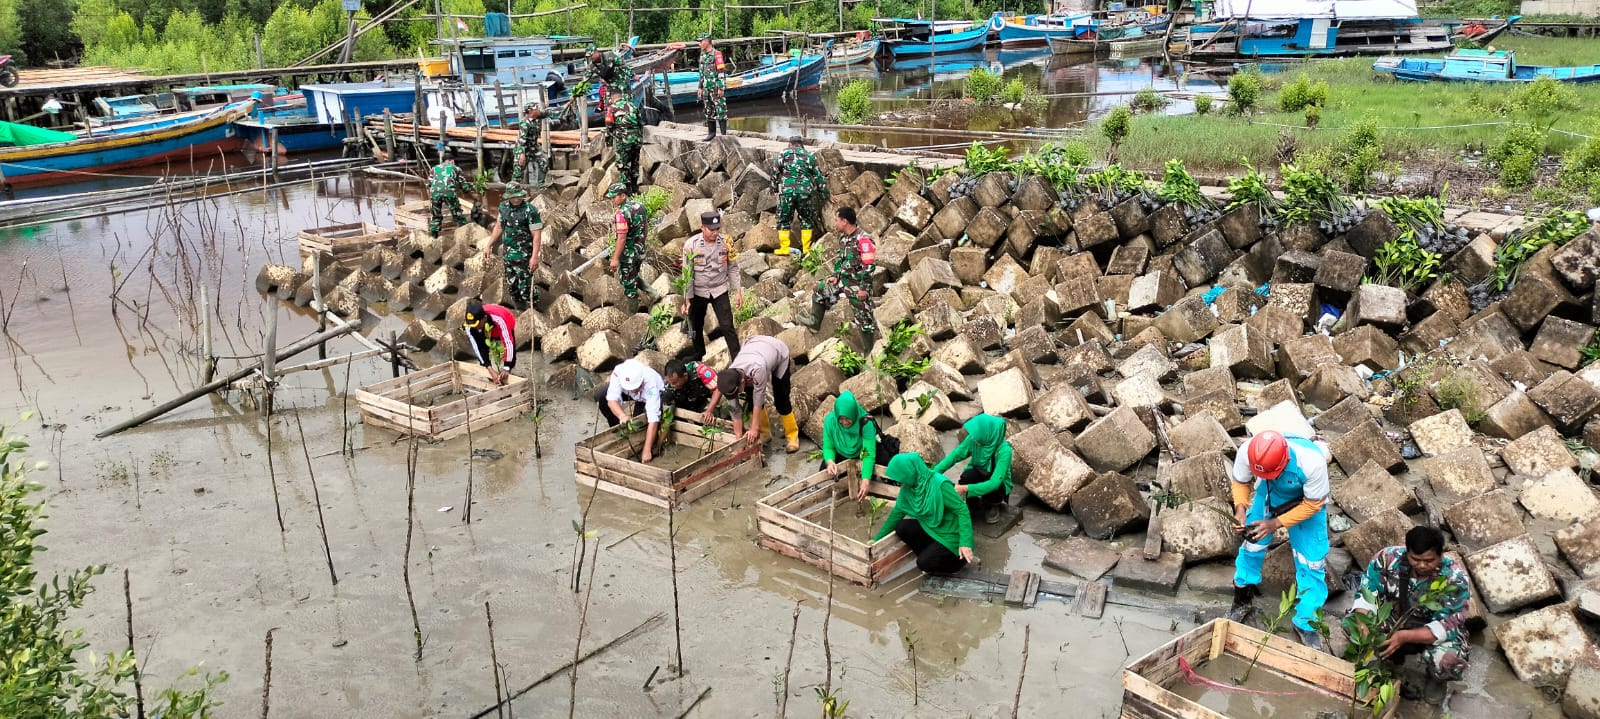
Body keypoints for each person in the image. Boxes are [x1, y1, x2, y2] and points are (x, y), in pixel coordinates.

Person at [1228, 429, 1332, 651]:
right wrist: (1240, 509)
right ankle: (1242, 599)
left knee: (1311, 561)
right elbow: (1240, 482)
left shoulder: (1312, 462)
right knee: (1251, 544)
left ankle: (1306, 623)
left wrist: (1275, 524)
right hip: (1269, 493)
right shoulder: (1248, 451)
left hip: (1306, 501)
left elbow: (1313, 504)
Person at [1346, 526, 1472, 706]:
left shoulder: (1454, 578)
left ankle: (1436, 679)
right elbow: (1366, 596)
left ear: (1441, 555)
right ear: (1407, 552)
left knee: (1448, 660)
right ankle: (1392, 663)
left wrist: (1404, 637)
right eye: (1416, 559)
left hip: (1432, 628)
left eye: (1429, 561)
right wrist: (1363, 626)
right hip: (1395, 618)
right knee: (1352, 626)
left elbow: (1447, 626)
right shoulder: (1386, 559)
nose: (1422, 565)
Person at [872, 453, 974, 575]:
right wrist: (875, 543)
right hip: (931, 528)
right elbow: (895, 515)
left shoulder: (939, 485)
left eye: (901, 477)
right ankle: (932, 555)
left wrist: (965, 543)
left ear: (909, 473)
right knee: (901, 526)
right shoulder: (908, 489)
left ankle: (954, 564)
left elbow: (962, 510)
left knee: (923, 564)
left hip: (950, 534)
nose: (900, 482)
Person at [797, 207, 877, 344]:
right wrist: (835, 275)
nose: (835, 223)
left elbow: (869, 266)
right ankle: (814, 323)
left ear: (844, 221)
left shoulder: (864, 240)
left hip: (858, 285)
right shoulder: (844, 238)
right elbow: (841, 260)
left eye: (836, 220)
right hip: (843, 281)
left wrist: (864, 288)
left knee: (865, 322)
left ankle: (870, 352)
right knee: (819, 289)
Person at [708, 335, 798, 453]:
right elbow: (735, 410)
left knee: (781, 400)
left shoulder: (757, 369)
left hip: (777, 352)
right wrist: (739, 443)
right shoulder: (729, 377)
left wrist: (754, 429)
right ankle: (765, 435)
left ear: (741, 381)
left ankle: (792, 437)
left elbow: (759, 399)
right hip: (753, 348)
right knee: (750, 401)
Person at [681, 210, 741, 359]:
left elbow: (733, 267)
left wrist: (738, 291)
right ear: (702, 228)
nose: (715, 232)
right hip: (698, 291)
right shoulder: (691, 245)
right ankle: (699, 353)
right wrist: (687, 299)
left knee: (727, 325)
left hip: (719, 289)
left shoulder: (727, 241)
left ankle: (738, 358)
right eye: (711, 229)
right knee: (696, 325)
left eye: (717, 229)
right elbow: (687, 274)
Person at [932, 414, 1013, 525]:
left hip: (997, 482)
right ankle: (973, 503)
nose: (974, 439)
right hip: (979, 471)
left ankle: (992, 505)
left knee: (995, 488)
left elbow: (994, 483)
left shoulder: (1004, 450)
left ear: (988, 434)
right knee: (967, 477)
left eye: (978, 435)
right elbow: (955, 456)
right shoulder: (974, 440)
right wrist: (932, 474)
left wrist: (965, 489)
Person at [823, 391, 900, 500]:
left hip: (862, 452)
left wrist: (865, 480)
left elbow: (868, 454)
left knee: (886, 466)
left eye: (847, 418)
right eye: (841, 418)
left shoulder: (866, 422)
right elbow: (828, 447)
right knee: (826, 471)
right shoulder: (830, 422)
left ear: (854, 413)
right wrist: (830, 462)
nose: (844, 422)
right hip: (841, 452)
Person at [481, 182, 543, 311]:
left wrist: (534, 257)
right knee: (512, 286)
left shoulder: (530, 211)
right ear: (508, 196)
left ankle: (534, 309)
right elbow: (498, 227)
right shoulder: (503, 208)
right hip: (508, 254)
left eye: (519, 196)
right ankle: (519, 311)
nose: (517, 199)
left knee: (526, 286)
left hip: (524, 255)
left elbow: (536, 235)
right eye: (514, 196)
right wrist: (488, 245)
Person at [592, 359, 666, 463]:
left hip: (651, 396)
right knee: (602, 397)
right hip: (631, 395)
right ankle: (618, 429)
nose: (633, 390)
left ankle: (649, 444)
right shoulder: (619, 372)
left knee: (640, 423)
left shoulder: (650, 382)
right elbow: (611, 399)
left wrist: (647, 449)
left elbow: (653, 418)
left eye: (635, 387)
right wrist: (622, 416)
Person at [771, 135, 829, 256]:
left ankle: (784, 248)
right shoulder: (809, 156)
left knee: (784, 219)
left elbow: (775, 171)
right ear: (801, 144)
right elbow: (818, 177)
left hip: (787, 192)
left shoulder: (784, 154)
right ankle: (806, 249)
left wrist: (774, 188)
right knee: (806, 219)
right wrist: (825, 195)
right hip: (804, 192)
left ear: (790, 144)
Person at [606, 182, 659, 311]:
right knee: (632, 274)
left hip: (628, 254)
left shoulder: (621, 214)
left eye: (614, 197)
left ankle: (633, 317)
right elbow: (646, 227)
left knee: (628, 284)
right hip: (640, 250)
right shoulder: (640, 206)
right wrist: (641, 243)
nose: (612, 200)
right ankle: (652, 292)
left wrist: (615, 258)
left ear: (623, 196)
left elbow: (622, 238)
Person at [463, 303, 517, 385]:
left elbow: (508, 342)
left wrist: (507, 366)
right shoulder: (470, 325)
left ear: (484, 318)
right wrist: (489, 369)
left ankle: (506, 375)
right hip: (485, 328)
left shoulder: (499, 319)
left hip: (506, 322)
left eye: (477, 324)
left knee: (508, 349)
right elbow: (477, 348)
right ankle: (493, 378)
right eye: (473, 325)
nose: (474, 327)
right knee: (483, 346)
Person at [512, 101, 560, 185]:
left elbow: (549, 112)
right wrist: (521, 154)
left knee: (544, 162)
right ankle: (513, 189)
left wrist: (569, 103)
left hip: (534, 147)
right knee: (518, 170)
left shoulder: (537, 116)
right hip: (523, 149)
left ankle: (540, 185)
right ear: (531, 111)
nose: (538, 110)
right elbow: (521, 140)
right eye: (536, 108)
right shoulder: (524, 123)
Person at [584, 43, 636, 122]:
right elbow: (586, 78)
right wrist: (579, 89)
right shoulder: (592, 66)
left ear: (596, 52)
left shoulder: (609, 55)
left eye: (591, 55)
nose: (591, 58)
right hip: (610, 84)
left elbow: (623, 65)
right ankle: (613, 123)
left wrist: (633, 75)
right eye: (589, 57)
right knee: (609, 104)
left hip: (621, 81)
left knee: (626, 101)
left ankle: (629, 120)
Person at [428, 149, 469, 239]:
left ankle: (434, 235)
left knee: (435, 214)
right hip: (449, 193)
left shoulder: (434, 168)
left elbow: (430, 183)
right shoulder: (456, 168)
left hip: (434, 193)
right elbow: (464, 185)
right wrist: (467, 190)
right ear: (451, 160)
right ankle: (464, 231)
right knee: (457, 212)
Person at [607, 93, 644, 192]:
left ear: (612, 99)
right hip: (636, 140)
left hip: (623, 141)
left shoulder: (612, 108)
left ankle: (627, 189)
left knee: (623, 165)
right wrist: (640, 137)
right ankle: (635, 187)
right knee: (634, 163)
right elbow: (641, 123)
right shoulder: (632, 105)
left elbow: (609, 127)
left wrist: (609, 143)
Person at [663, 355, 718, 421]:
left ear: (685, 376)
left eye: (674, 383)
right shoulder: (667, 388)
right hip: (685, 409)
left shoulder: (699, 369)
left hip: (705, 400)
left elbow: (717, 388)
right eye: (669, 383)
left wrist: (709, 410)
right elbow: (667, 416)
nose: (672, 385)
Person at [696, 34, 728, 141]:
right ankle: (711, 133)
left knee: (720, 109)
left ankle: (723, 133)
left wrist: (721, 87)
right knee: (708, 109)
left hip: (715, 86)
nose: (699, 44)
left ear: (707, 41)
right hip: (706, 87)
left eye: (701, 41)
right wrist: (700, 87)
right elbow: (701, 73)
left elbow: (721, 71)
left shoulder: (716, 54)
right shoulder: (702, 56)